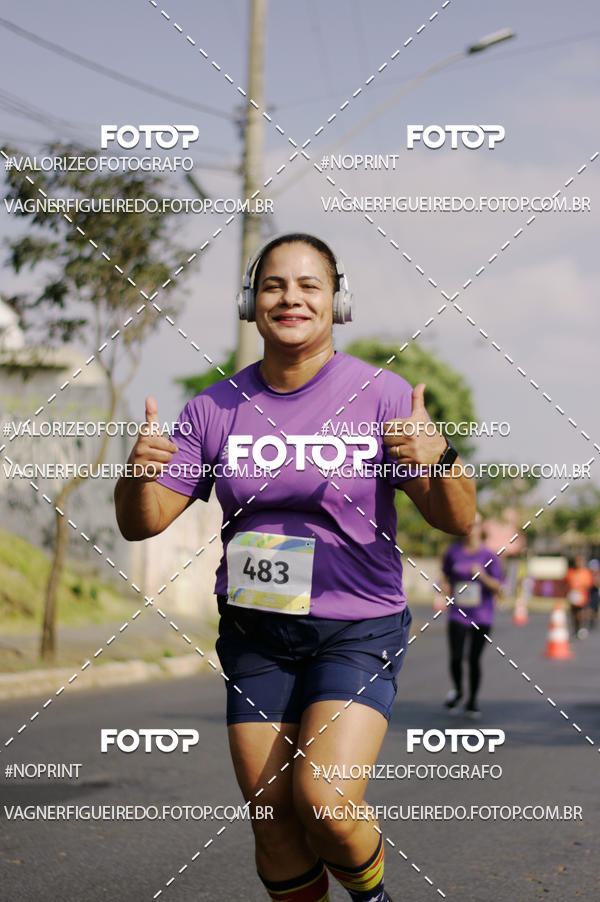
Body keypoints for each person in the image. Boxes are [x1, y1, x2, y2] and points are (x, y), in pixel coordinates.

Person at [114, 233, 476, 902]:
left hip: (357, 627)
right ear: (251, 303)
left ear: (337, 303)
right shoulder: (213, 408)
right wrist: (137, 475)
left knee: (327, 802)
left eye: (310, 285)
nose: (291, 298)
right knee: (274, 822)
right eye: (275, 285)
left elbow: (453, 519)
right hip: (257, 633)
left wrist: (441, 455)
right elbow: (144, 521)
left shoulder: (382, 394)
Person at [440, 514, 503, 719]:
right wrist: (443, 589)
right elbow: (444, 576)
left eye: (474, 524)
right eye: (466, 523)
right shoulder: (453, 552)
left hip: (482, 615)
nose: (470, 528)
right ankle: (458, 690)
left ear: (480, 528)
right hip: (457, 614)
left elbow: (498, 588)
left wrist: (483, 576)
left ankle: (472, 701)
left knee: (474, 659)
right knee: (456, 657)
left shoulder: (489, 556)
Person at [565, 555, 594, 639]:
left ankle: (581, 627)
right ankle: (576, 628)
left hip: (582, 597)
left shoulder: (586, 573)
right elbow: (566, 583)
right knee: (573, 613)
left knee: (581, 613)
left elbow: (589, 584)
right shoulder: (571, 572)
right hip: (573, 596)